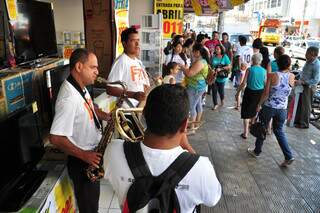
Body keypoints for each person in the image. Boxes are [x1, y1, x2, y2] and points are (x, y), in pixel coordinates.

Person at [104, 84, 222, 212]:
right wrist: (187, 146)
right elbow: (212, 199)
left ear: (143, 115)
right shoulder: (201, 167)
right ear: (184, 126)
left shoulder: (113, 151)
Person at [49, 48, 111, 213]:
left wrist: (105, 116)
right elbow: (55, 137)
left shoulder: (80, 87)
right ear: (79, 67)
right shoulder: (68, 98)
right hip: (83, 161)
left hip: (90, 157)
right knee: (89, 208)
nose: (97, 72)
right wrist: (85, 155)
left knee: (92, 204)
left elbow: (89, 106)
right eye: (93, 67)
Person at [248, 54, 295, 167]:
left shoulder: (272, 75)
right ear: (288, 64)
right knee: (279, 131)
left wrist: (259, 104)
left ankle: (257, 151)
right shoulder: (292, 76)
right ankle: (288, 156)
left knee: (262, 128)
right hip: (282, 109)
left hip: (269, 107)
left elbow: (266, 93)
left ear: (277, 64)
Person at [106, 27, 150, 107]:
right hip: (127, 111)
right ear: (124, 43)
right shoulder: (121, 61)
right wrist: (133, 95)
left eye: (138, 40)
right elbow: (110, 89)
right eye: (133, 41)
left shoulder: (137, 61)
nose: (137, 44)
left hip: (138, 108)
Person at [236, 53, 267, 139]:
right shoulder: (264, 71)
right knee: (254, 110)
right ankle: (252, 127)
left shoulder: (250, 69)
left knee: (246, 112)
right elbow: (265, 84)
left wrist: (238, 92)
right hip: (259, 93)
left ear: (253, 60)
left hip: (249, 92)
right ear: (260, 61)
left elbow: (243, 83)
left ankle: (245, 133)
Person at [181, 43, 210, 133]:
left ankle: (192, 127)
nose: (192, 53)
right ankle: (196, 123)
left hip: (195, 87)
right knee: (198, 105)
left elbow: (190, 73)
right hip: (199, 87)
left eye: (193, 51)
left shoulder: (200, 62)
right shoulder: (202, 60)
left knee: (191, 107)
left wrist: (183, 68)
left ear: (197, 52)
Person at [295, 47, 320, 128]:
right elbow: (304, 72)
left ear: (313, 54)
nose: (305, 55)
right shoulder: (308, 61)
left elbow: (316, 80)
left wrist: (304, 82)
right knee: (299, 103)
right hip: (302, 85)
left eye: (307, 54)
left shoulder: (316, 64)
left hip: (309, 87)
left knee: (306, 105)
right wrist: (297, 76)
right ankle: (298, 121)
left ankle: (304, 124)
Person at [211, 44, 231, 110]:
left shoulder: (224, 57)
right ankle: (215, 104)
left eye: (218, 49)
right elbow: (211, 66)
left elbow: (229, 66)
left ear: (221, 50)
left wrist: (221, 68)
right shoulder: (213, 56)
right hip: (214, 76)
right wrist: (212, 69)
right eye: (216, 49)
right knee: (214, 90)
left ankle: (222, 99)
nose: (216, 50)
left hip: (221, 77)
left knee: (221, 91)